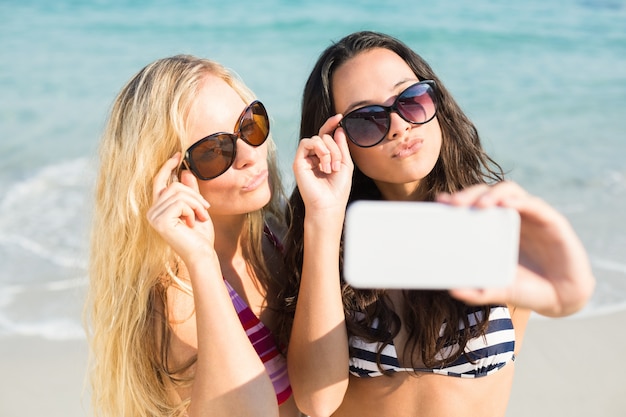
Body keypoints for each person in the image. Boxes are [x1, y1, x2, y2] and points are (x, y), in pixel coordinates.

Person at [281, 31, 596, 417]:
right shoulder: (328, 241)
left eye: (411, 100)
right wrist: (323, 221)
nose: (399, 126)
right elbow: (316, 401)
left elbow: (564, 298)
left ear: (436, 101)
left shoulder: (492, 222)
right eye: (367, 119)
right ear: (336, 140)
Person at [86, 55, 300, 417]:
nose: (250, 155)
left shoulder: (274, 229)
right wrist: (202, 263)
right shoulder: (174, 305)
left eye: (250, 125)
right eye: (215, 151)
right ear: (167, 177)